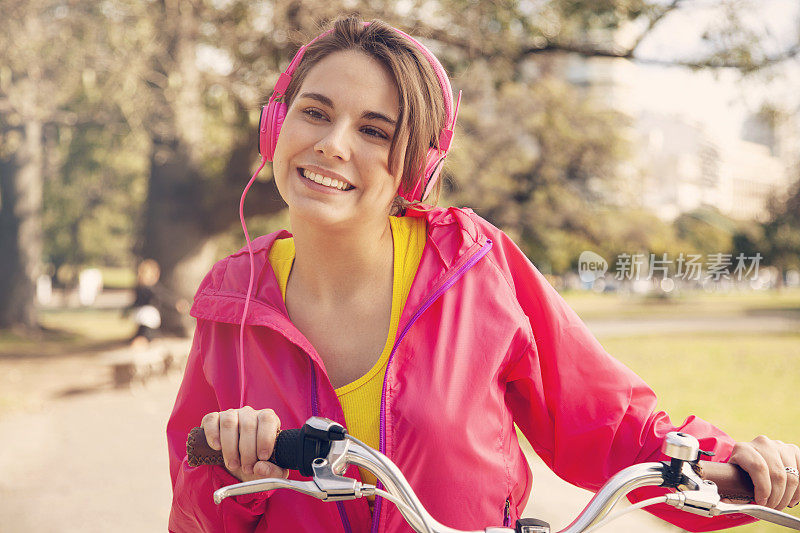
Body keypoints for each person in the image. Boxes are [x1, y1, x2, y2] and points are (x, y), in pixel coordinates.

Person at [167, 16, 800, 533]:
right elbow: (193, 516)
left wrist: (733, 464)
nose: (333, 144)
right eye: (314, 112)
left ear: (415, 167)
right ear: (277, 125)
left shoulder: (473, 267)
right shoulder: (232, 300)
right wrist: (228, 470)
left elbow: (614, 432)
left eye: (375, 130)